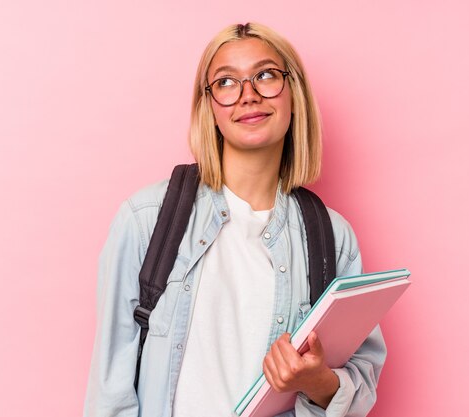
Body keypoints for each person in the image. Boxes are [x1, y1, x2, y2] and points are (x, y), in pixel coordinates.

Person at [84, 22, 386, 417]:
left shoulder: (331, 238)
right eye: (226, 82)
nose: (248, 95)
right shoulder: (146, 219)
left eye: (265, 75)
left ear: (293, 94)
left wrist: (317, 382)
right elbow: (110, 394)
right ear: (208, 106)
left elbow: (360, 382)